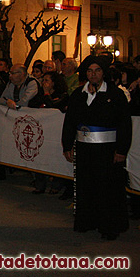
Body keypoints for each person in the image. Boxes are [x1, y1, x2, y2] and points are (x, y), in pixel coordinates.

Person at [61, 55, 131, 240]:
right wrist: (67, 144)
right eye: (90, 71)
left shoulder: (115, 95)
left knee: (108, 188)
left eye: (97, 70)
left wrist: (122, 150)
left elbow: (125, 124)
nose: (93, 74)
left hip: (108, 151)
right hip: (84, 150)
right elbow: (70, 122)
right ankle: (86, 221)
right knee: (86, 185)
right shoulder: (78, 94)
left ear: (103, 73)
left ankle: (109, 226)